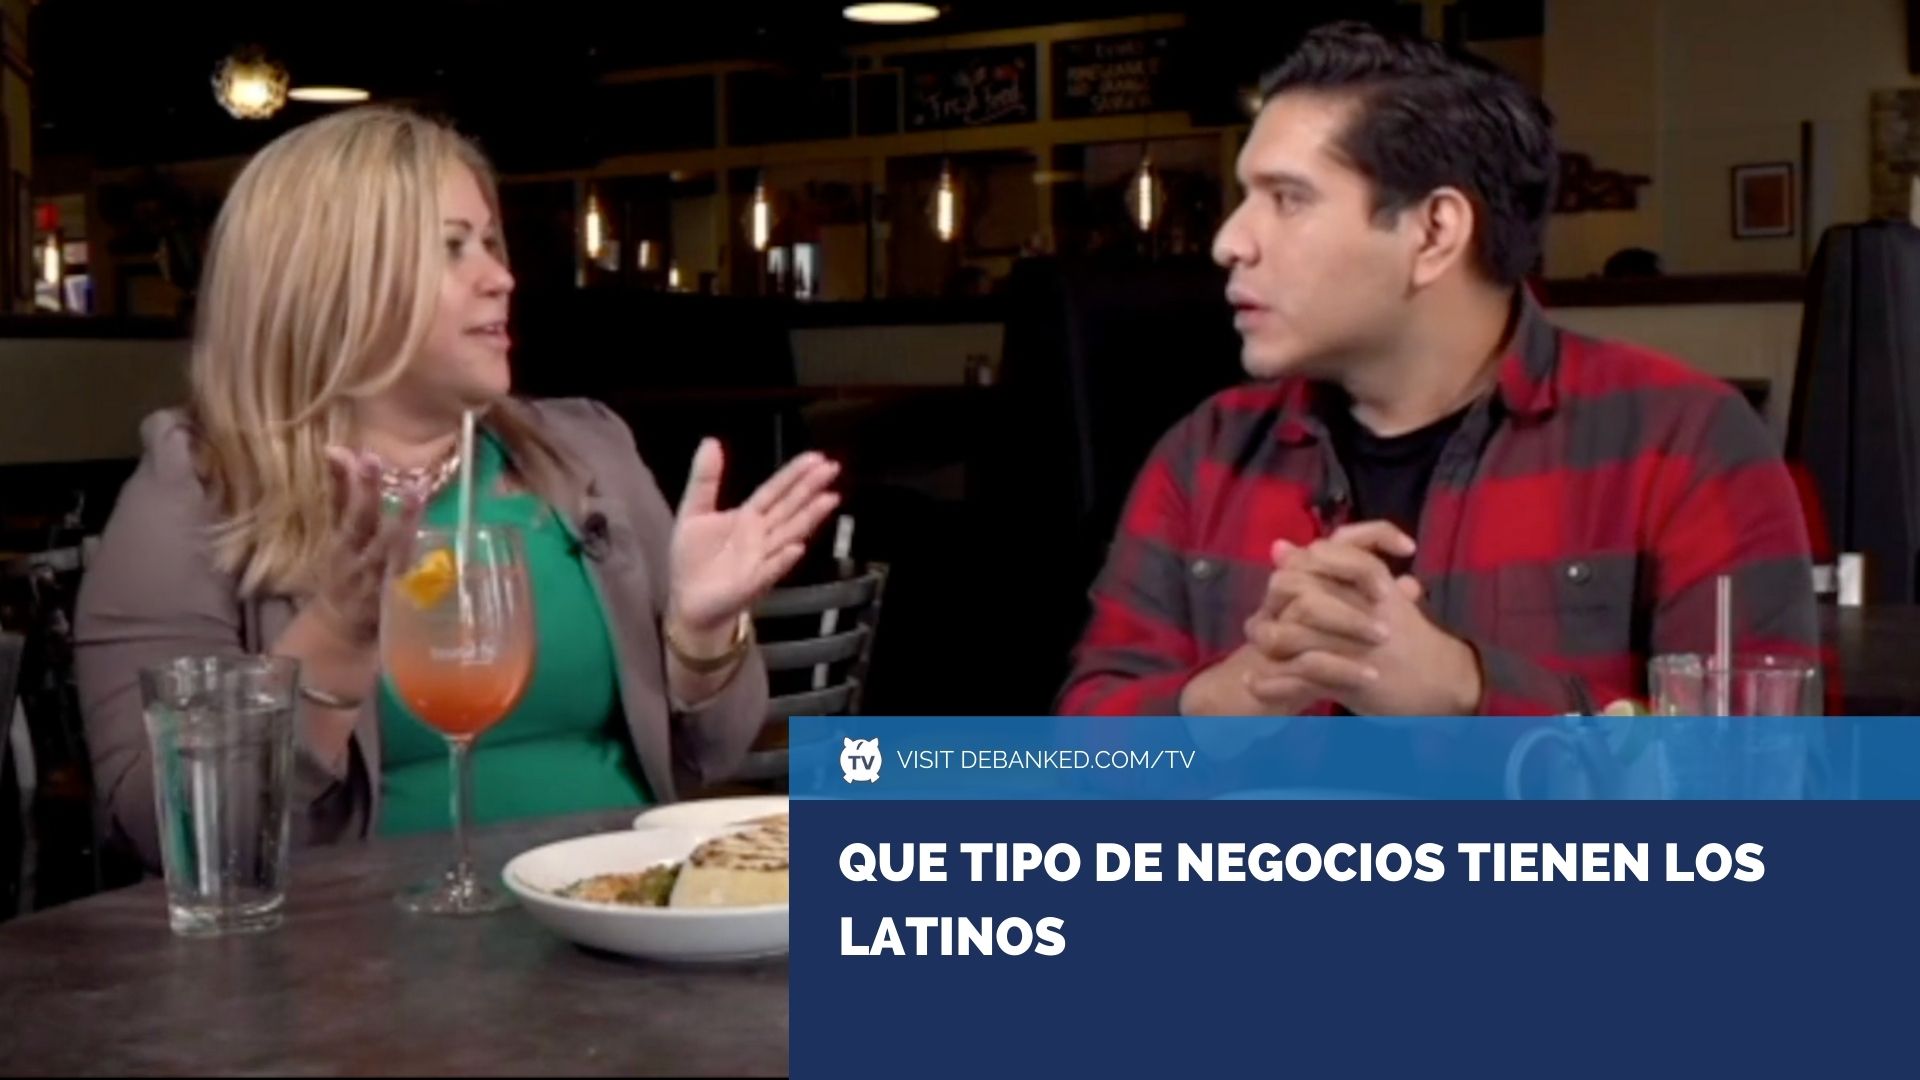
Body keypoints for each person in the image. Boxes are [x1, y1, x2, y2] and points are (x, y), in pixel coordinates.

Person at [75, 107, 841, 870]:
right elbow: (164, 830)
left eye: (490, 243)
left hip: (623, 909)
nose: (501, 277)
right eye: (451, 249)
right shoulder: (195, 486)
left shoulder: (587, 451)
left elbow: (712, 753)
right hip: (360, 937)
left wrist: (702, 637)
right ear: (328, 283)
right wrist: (333, 642)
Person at [1059, 24, 1817, 741]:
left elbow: (1757, 780)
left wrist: (1468, 691)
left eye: (1287, 199)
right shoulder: (1206, 452)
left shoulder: (1682, 442)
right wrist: (1230, 698)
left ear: (1433, 233)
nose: (1229, 241)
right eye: (1244, 197)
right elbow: (1084, 753)